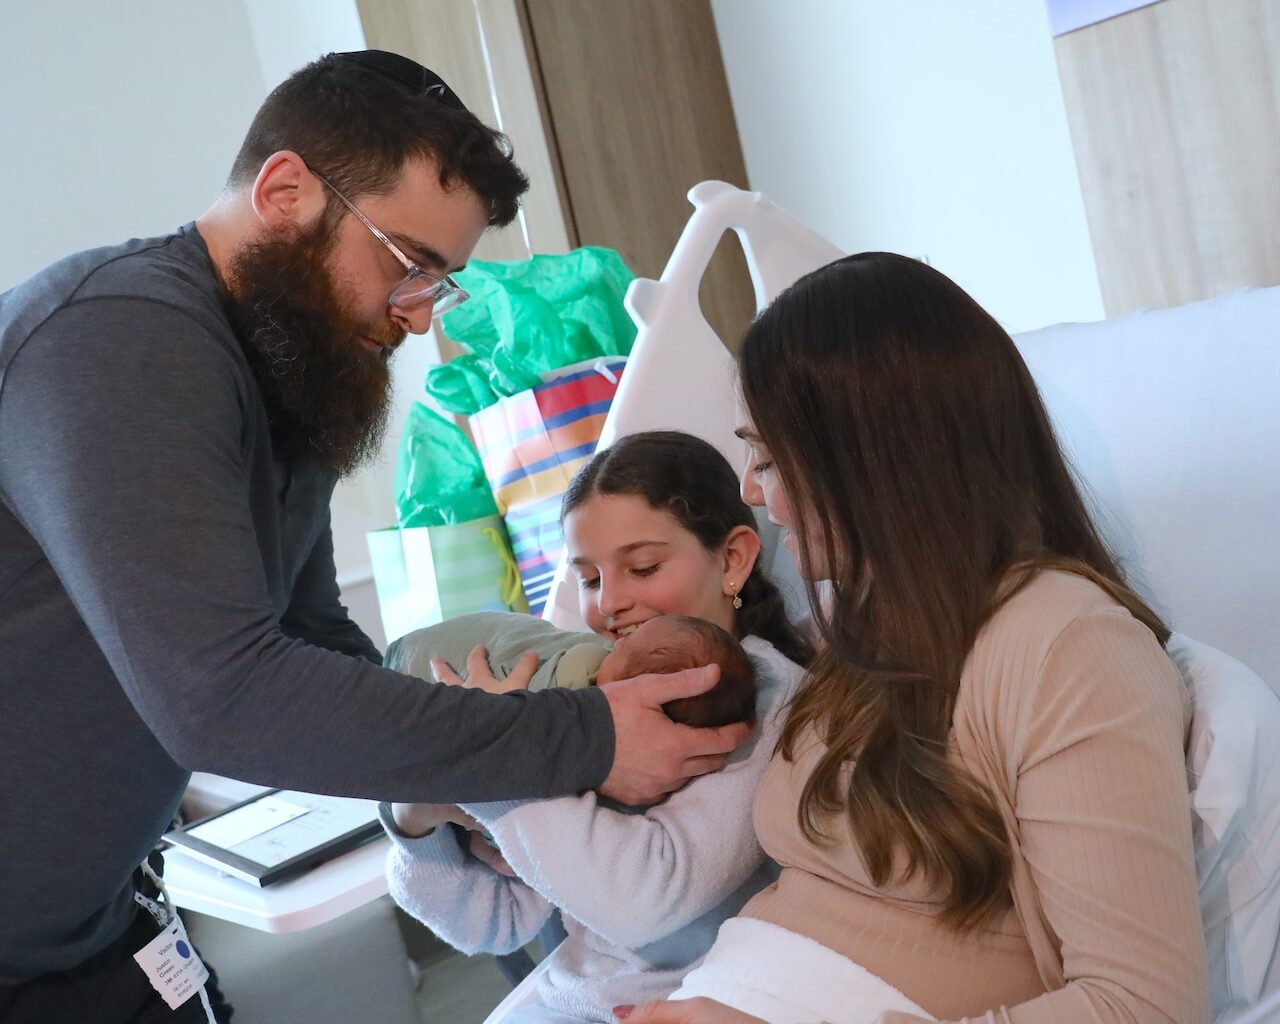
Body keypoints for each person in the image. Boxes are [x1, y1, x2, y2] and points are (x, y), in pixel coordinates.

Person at [0, 52, 744, 1024]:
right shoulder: (119, 340)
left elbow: (309, 640)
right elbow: (221, 696)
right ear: (285, 190)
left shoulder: (278, 375)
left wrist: (466, 796)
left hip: (92, 933)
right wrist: (582, 741)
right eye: (407, 267)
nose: (414, 316)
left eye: (439, 284)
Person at [621, 254, 1209, 1024]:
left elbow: (1146, 1007)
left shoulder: (1068, 647)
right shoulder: (867, 632)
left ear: (870, 458)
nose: (753, 492)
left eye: (767, 457)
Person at [383, 431, 814, 1023]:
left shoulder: (769, 702)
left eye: (643, 567)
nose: (610, 601)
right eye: (588, 579)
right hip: (577, 995)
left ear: (733, 559)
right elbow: (492, 921)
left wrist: (500, 750)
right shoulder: (589, 695)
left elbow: (640, 901)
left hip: (698, 1003)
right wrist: (417, 813)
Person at [389, 611, 759, 727]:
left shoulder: (584, 675)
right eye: (590, 580)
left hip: (415, 668)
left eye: (645, 567)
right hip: (421, 660)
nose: (618, 636)